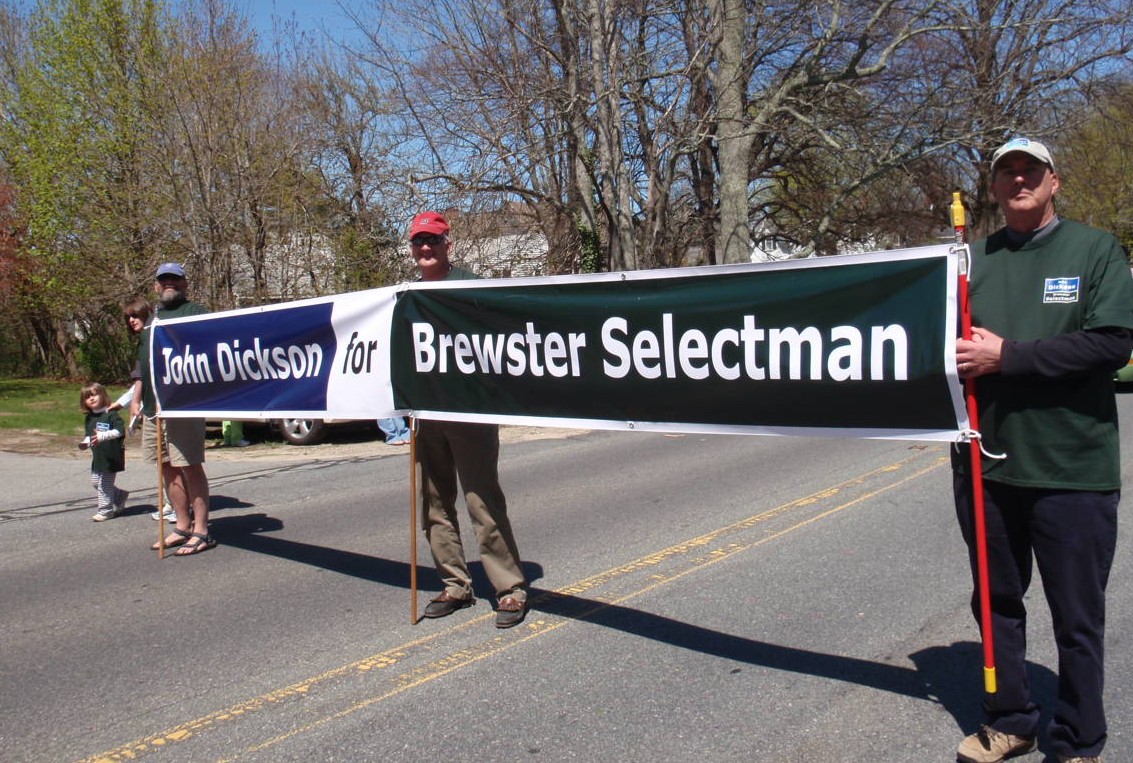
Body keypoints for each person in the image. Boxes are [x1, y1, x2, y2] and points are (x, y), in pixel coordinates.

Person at [953, 138, 1133, 763]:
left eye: (1031, 169)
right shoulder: (969, 262)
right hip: (987, 467)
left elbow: (1111, 344)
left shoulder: (1094, 250)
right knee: (996, 603)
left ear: (1054, 181)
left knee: (1076, 618)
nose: (1019, 178)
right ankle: (1013, 720)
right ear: (995, 186)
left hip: (1071, 468)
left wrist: (1010, 357)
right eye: (1007, 171)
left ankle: (1080, 738)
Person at [408, 211, 528, 628]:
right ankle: (455, 584)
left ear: (447, 245)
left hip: (469, 413)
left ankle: (509, 590)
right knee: (433, 504)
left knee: (482, 500)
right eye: (419, 242)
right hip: (425, 414)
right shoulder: (405, 297)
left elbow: (498, 341)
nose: (426, 248)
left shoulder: (470, 287)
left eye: (433, 241)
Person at [129, 262, 215, 556]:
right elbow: (144, 364)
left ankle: (202, 531)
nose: (170, 284)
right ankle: (182, 525)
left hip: (183, 404)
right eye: (164, 280)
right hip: (155, 408)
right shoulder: (152, 321)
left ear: (185, 284)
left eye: (175, 280)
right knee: (165, 467)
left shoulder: (196, 313)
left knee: (189, 465)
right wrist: (136, 399)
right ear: (156, 286)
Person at [78, 382, 129, 521]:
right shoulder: (90, 418)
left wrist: (102, 436)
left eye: (94, 395)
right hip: (98, 456)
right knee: (95, 482)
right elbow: (90, 435)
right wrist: (85, 443)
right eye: (87, 397)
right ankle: (119, 496)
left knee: (104, 484)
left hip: (111, 456)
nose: (92, 399)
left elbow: (119, 431)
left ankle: (105, 511)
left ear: (103, 395)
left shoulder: (111, 414)